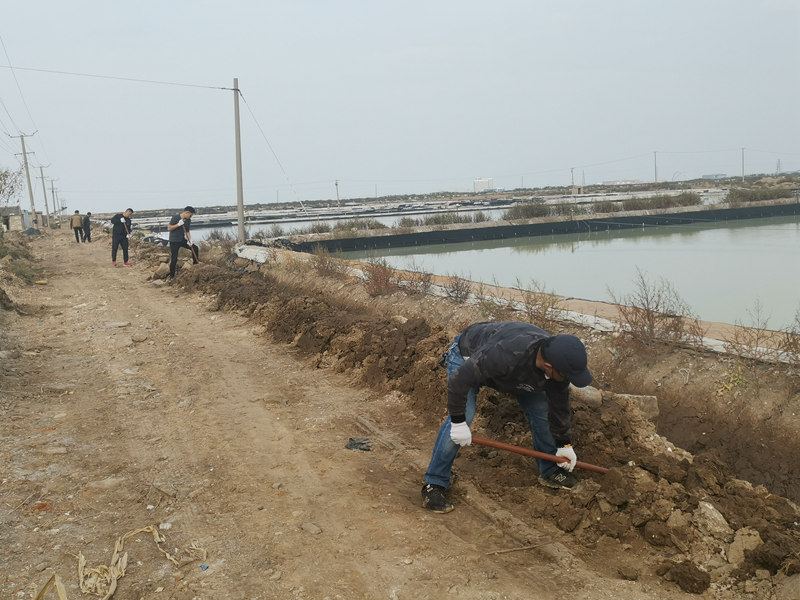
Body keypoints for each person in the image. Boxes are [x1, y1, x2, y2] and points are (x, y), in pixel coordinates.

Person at [421, 321, 593, 514]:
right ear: (549, 367)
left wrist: (564, 444)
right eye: (566, 376)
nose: (567, 380)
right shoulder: (506, 354)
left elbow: (559, 408)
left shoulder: (556, 367)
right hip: (468, 359)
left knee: (542, 411)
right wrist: (459, 423)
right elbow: (459, 381)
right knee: (464, 416)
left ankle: (550, 470)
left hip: (515, 373)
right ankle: (435, 482)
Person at [166, 206, 199, 279]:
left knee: (195, 248)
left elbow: (187, 231)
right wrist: (178, 225)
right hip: (174, 241)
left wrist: (190, 240)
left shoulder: (188, 220)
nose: (190, 217)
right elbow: (169, 228)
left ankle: (195, 265)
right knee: (174, 258)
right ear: (187, 213)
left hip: (182, 240)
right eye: (190, 215)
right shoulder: (175, 218)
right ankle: (172, 276)